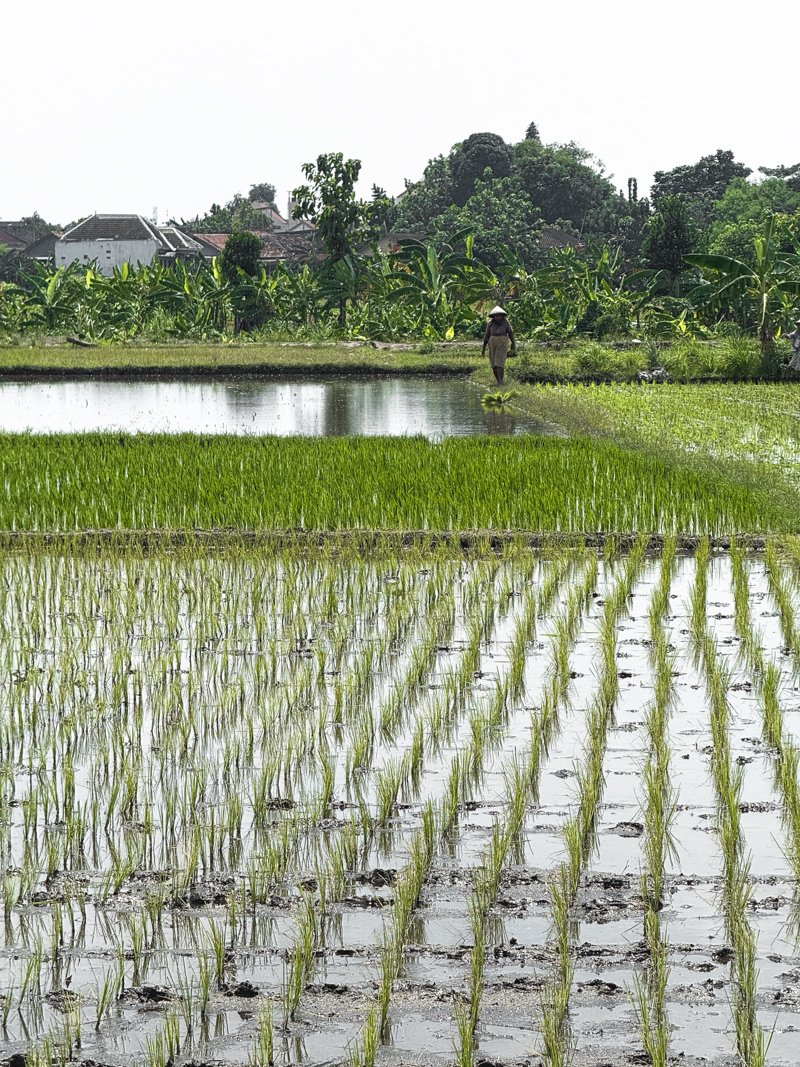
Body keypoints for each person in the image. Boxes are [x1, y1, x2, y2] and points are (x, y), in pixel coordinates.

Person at [482, 306, 516, 385]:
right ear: (493, 316)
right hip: (492, 342)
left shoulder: (505, 322)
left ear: (502, 315)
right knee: (493, 364)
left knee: (499, 363)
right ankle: (499, 381)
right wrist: (483, 348)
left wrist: (513, 344)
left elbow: (511, 333)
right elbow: (487, 335)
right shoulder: (490, 323)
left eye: (499, 315)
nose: (497, 317)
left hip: (502, 342)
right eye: (496, 315)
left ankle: (501, 381)